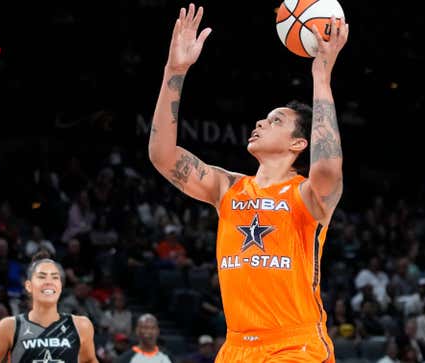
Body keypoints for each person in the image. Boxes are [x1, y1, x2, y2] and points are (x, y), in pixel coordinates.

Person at [148, 3, 349, 362]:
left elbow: (329, 167)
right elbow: (163, 156)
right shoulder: (228, 188)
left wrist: (322, 76)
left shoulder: (307, 195)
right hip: (236, 348)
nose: (260, 122)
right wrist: (174, 71)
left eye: (275, 121)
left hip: (295, 346)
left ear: (298, 144)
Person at [0, 251, 98, 363]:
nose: (49, 282)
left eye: (55, 277)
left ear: (61, 286)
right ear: (29, 286)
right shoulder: (9, 326)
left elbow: (90, 360)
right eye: (42, 277)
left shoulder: (81, 325)